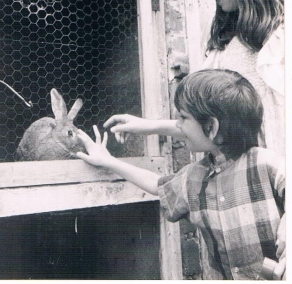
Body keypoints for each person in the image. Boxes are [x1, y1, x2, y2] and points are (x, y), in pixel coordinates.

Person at [76, 69, 286, 280]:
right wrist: (108, 161)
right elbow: (156, 184)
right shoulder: (195, 177)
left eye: (183, 117)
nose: (177, 124)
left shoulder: (264, 163)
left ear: (212, 128)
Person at [104, 0, 284, 156]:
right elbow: (212, 127)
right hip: (245, 181)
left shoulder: (282, 35)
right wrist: (147, 126)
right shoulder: (226, 43)